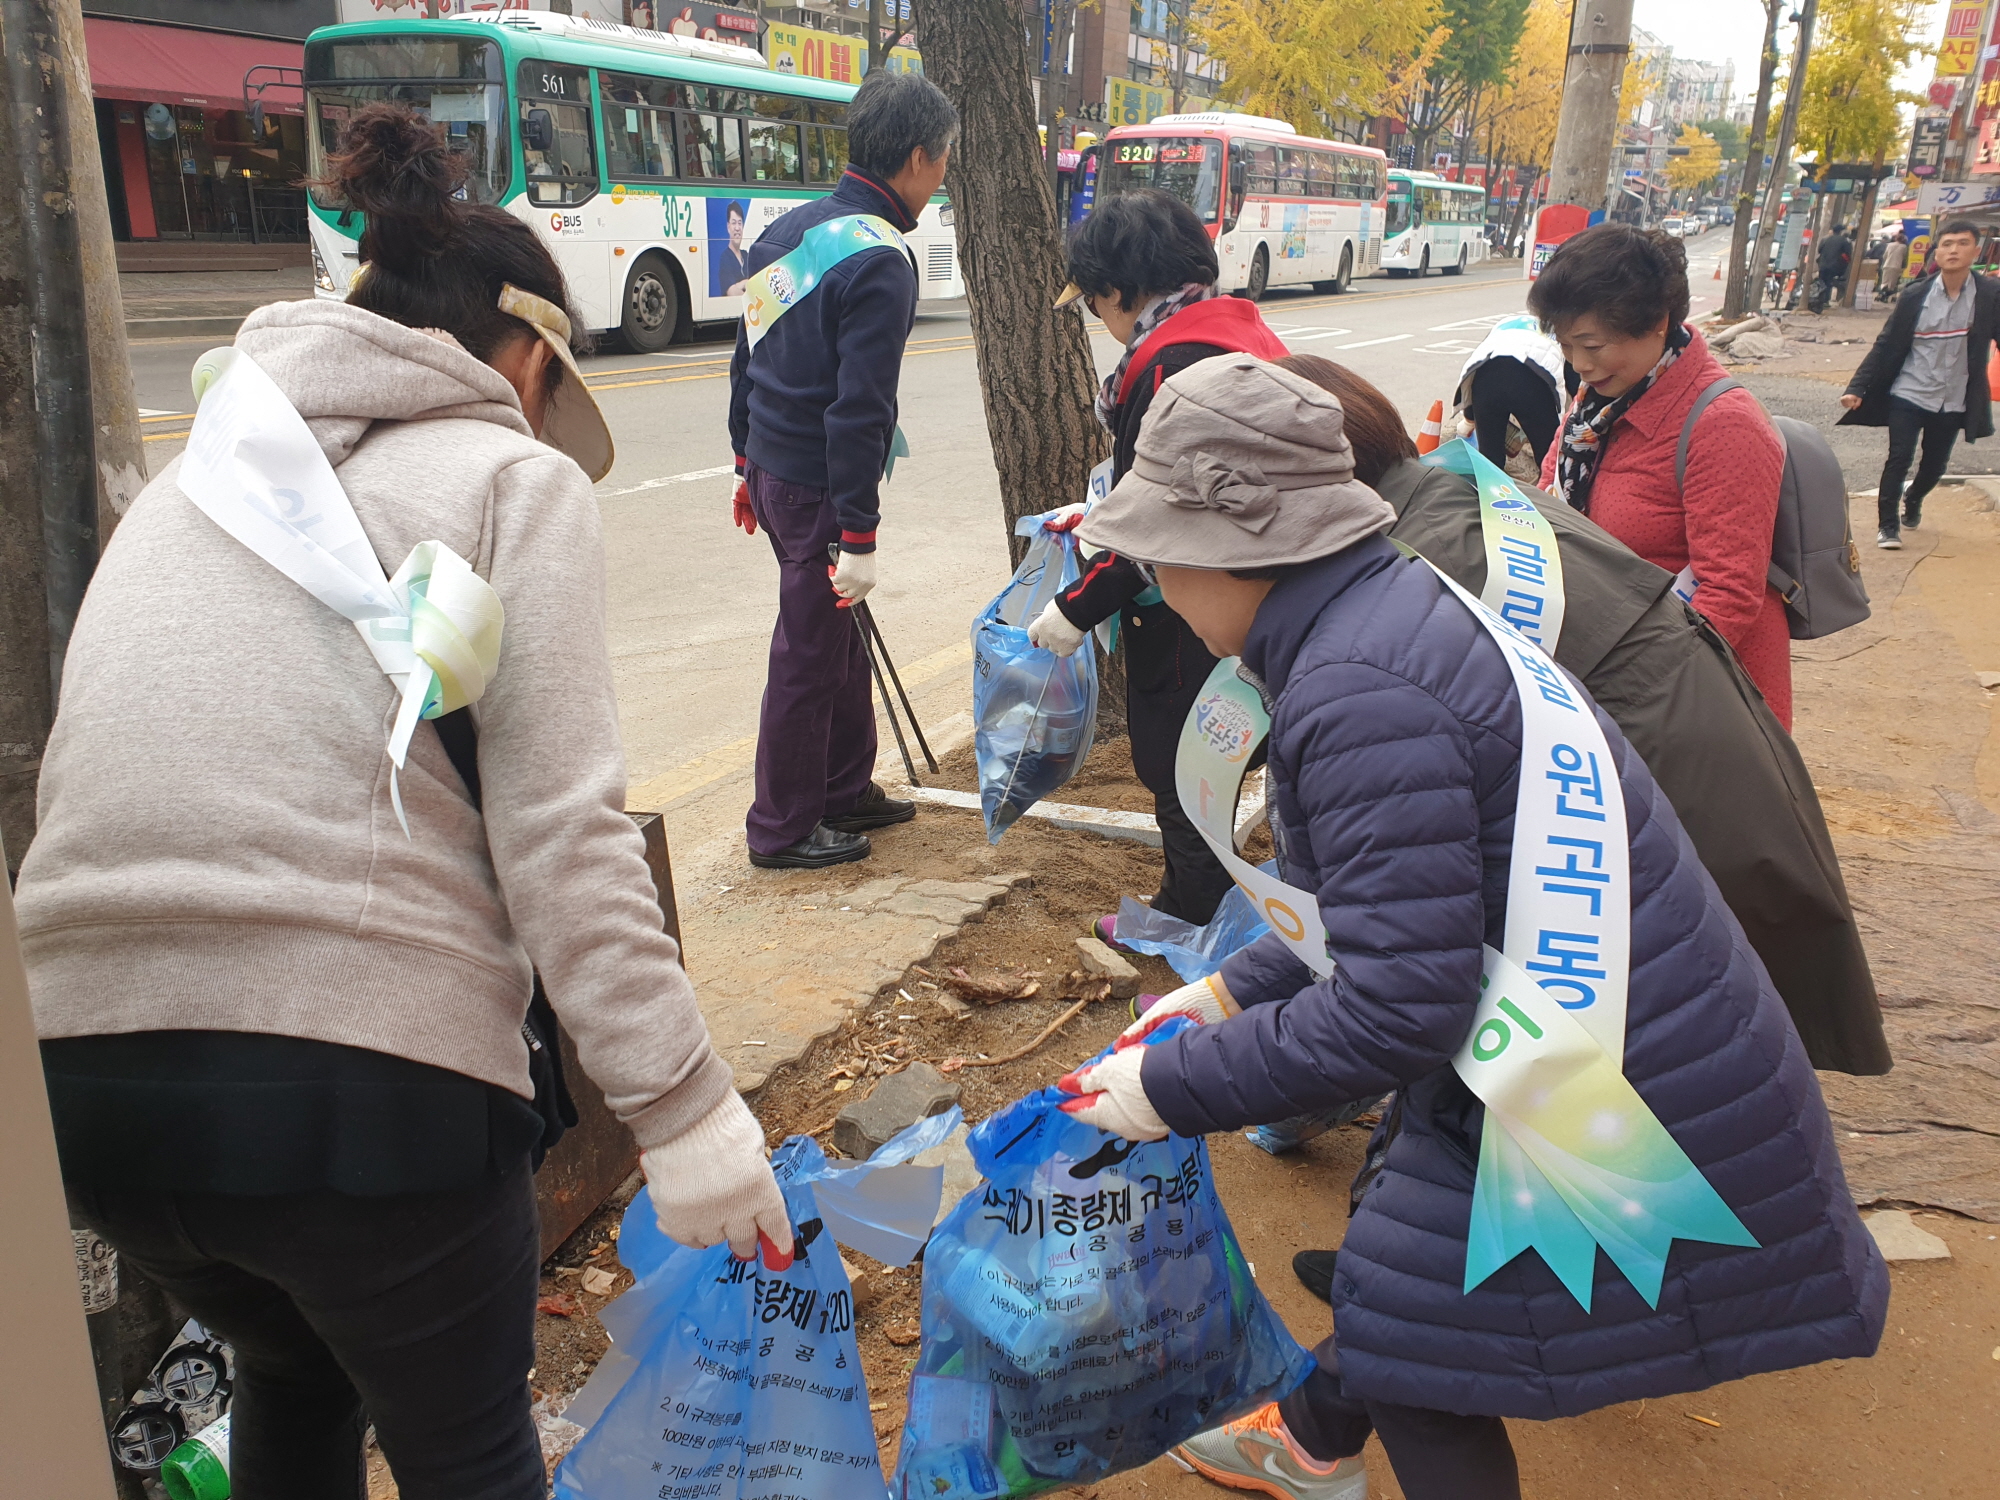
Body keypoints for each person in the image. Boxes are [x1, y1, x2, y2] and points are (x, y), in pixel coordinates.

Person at [17, 104, 791, 1500]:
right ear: (524, 357)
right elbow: (565, 838)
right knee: (469, 1455)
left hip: (82, 1080)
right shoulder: (510, 477)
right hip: (358, 1091)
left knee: (291, 1372)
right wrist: (686, 1115)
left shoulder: (192, 483)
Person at [1057, 354, 1887, 1500]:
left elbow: (1396, 1004)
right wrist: (1228, 992)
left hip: (1612, 1072)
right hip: (1606, 1026)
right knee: (1411, 1298)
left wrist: (1168, 1091)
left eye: (1157, 555)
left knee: (1408, 1331)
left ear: (1236, 544)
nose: (1150, 581)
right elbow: (1365, 896)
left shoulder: (1355, 687)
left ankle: (1311, 1441)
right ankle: (1309, 1438)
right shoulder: (1384, 600)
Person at [1267, 352, 1889, 1305]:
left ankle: (1455, 1293)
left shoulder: (1417, 565)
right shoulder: (1441, 500)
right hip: (1682, 759)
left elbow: (1415, 894)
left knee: (1557, 1037)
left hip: (1663, 790)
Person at [1031, 188, 1288, 931]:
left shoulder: (1172, 364)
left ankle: (1195, 920)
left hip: (1197, 613)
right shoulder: (1238, 332)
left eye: (1094, 304)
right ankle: (1208, 907)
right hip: (1263, 593)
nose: (1099, 322)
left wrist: (1075, 609)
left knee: (1185, 771)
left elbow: (1166, 526)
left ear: (1117, 291)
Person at [727, 70, 957, 869]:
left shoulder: (785, 232)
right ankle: (783, 828)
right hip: (819, 485)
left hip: (771, 468)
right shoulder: (882, 261)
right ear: (919, 157)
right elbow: (860, 412)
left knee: (835, 638)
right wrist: (860, 533)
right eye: (943, 162)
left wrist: (740, 456)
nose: (941, 178)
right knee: (808, 650)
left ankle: (843, 787)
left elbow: (745, 353)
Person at [1529, 224, 1795, 726]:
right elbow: (1549, 494)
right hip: (1603, 668)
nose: (1578, 364)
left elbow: (1729, 595)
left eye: (1592, 344)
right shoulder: (1597, 403)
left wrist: (1630, 691)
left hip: (1689, 695)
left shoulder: (1724, 424)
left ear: (1658, 321)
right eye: (1565, 345)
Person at [1839, 217, 2000, 549]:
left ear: (1976, 250)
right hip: (1910, 391)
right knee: (1899, 456)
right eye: (1947, 244)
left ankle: (1914, 499)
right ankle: (1888, 526)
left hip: (1954, 396)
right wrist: (1857, 387)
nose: (1954, 250)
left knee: (1935, 465)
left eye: (1962, 243)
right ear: (1936, 253)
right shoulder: (1916, 296)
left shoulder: (1990, 294)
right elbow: (1886, 344)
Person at [1450, 313, 1569, 469]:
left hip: (1485, 376)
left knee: (1490, 460)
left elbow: (1474, 374)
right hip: (1533, 380)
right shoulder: (1561, 332)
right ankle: (1548, 491)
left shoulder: (1504, 324)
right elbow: (1574, 386)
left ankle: (1491, 490)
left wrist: (1469, 417)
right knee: (1548, 457)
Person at [1812, 220, 1851, 312]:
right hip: (1834, 266)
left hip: (1823, 264)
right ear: (1841, 231)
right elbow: (1847, 254)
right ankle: (1825, 301)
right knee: (1829, 283)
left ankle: (1818, 299)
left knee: (1821, 282)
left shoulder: (1826, 239)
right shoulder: (1844, 241)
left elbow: (1819, 250)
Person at [1877, 226, 1909, 298]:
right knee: (1892, 284)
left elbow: (1885, 256)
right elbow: (1904, 258)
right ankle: (1887, 296)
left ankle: (1882, 295)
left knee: (1884, 282)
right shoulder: (1904, 247)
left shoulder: (1889, 245)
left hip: (1887, 265)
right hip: (1896, 267)